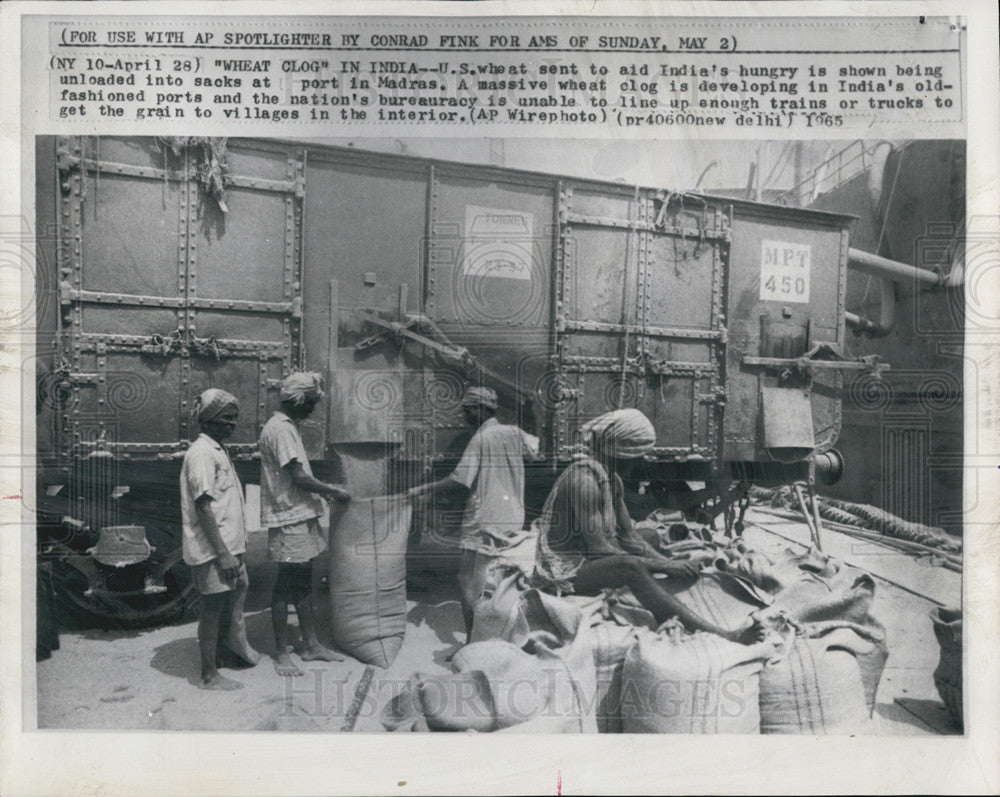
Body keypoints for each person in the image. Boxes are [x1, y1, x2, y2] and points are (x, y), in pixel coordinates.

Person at [534, 408, 756, 643]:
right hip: (565, 570)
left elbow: (628, 535)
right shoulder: (584, 482)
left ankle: (652, 590)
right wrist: (664, 566)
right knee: (630, 566)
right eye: (637, 455)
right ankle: (720, 633)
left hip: (587, 558)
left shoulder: (611, 479)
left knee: (648, 535)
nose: (642, 461)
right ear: (618, 452)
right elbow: (599, 549)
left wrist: (668, 563)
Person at [408, 386, 539, 639]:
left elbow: (459, 480)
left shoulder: (481, 438)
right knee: (502, 578)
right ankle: (505, 635)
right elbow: (534, 452)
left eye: (467, 411)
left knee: (466, 578)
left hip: (484, 517)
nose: (464, 417)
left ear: (480, 410)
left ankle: (472, 640)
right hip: (513, 515)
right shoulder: (514, 432)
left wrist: (423, 488)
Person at [260, 372, 352, 676]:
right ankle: (281, 653)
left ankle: (311, 645)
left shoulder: (288, 427)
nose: (313, 409)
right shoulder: (280, 430)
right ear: (297, 400)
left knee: (303, 582)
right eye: (310, 403)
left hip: (300, 513)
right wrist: (331, 490)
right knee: (286, 585)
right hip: (289, 518)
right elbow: (297, 476)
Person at [180, 388, 260, 690]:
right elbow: (203, 507)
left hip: (228, 546)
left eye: (234, 419)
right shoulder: (202, 454)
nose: (232, 425)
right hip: (215, 550)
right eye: (226, 419)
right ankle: (209, 674)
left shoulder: (216, 449)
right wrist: (224, 554)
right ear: (209, 419)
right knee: (212, 610)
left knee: (230, 602)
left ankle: (225, 655)